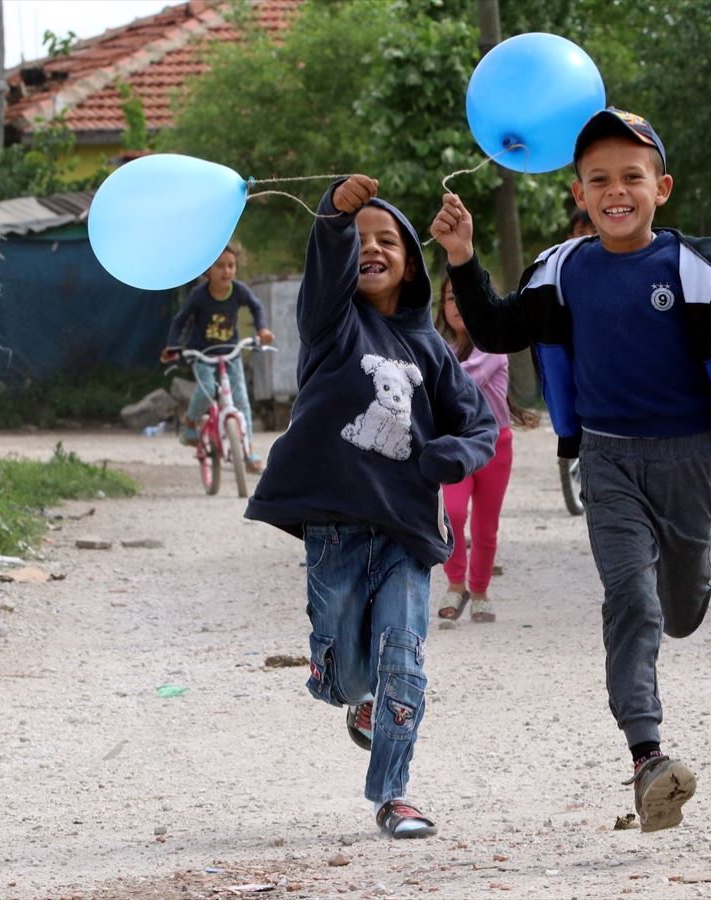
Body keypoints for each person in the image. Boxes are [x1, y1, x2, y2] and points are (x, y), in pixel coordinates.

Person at [430, 108, 711, 833]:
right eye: (599, 180)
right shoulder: (560, 271)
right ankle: (648, 757)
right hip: (607, 455)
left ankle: (689, 582)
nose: (615, 191)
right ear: (579, 194)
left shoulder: (694, 263)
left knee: (679, 609)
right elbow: (494, 327)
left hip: (685, 457)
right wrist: (462, 258)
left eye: (631, 177)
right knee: (631, 597)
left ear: (662, 187)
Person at [244, 175, 497, 839]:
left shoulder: (431, 349)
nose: (371, 247)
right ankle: (351, 696)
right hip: (334, 530)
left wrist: (453, 457)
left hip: (408, 533)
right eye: (360, 241)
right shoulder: (330, 324)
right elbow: (327, 259)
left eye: (388, 240)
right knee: (347, 674)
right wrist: (334, 214)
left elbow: (479, 426)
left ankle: (394, 794)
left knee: (403, 658)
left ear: (411, 263)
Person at [433, 275, 538, 624]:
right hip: (455, 445)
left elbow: (463, 381)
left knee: (484, 526)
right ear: (442, 307)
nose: (458, 306)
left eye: (464, 298)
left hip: (495, 445)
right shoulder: (441, 351)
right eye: (450, 299)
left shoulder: (493, 346)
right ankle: (455, 583)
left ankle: (479, 590)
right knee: (452, 513)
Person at [161, 243, 273, 473]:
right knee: (207, 390)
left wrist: (262, 330)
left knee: (241, 400)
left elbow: (257, 307)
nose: (227, 271)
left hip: (230, 352)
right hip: (202, 352)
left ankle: (249, 451)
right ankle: (191, 421)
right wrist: (173, 347)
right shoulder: (198, 296)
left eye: (231, 266)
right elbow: (180, 321)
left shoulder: (239, 291)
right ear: (208, 271)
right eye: (220, 266)